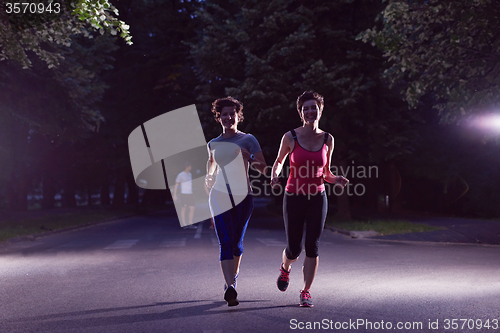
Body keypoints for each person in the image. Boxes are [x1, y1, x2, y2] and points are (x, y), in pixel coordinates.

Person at [271, 91, 349, 307]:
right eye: (306, 108)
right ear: (300, 112)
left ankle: (306, 291)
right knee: (294, 249)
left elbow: (326, 172)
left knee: (312, 246)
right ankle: (285, 268)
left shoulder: (327, 139)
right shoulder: (290, 137)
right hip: (293, 197)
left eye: (314, 107)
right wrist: (274, 174)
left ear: (320, 110)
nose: (310, 111)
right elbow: (279, 161)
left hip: (317, 197)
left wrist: (336, 180)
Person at [205, 96, 267, 306]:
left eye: (232, 114)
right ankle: (230, 287)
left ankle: (232, 279)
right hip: (219, 196)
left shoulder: (249, 140)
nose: (228, 117)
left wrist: (248, 157)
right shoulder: (213, 143)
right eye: (224, 114)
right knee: (225, 242)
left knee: (236, 245)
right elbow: (211, 164)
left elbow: (263, 167)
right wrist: (209, 177)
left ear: (238, 116)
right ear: (218, 118)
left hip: (243, 197)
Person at [173, 162, 197, 229]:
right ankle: (184, 224)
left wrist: (193, 193)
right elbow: (176, 184)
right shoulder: (180, 175)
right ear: (187, 167)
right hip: (184, 194)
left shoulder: (190, 174)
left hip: (190, 194)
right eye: (190, 166)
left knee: (192, 208)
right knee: (184, 208)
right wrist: (174, 195)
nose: (191, 168)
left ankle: (190, 223)